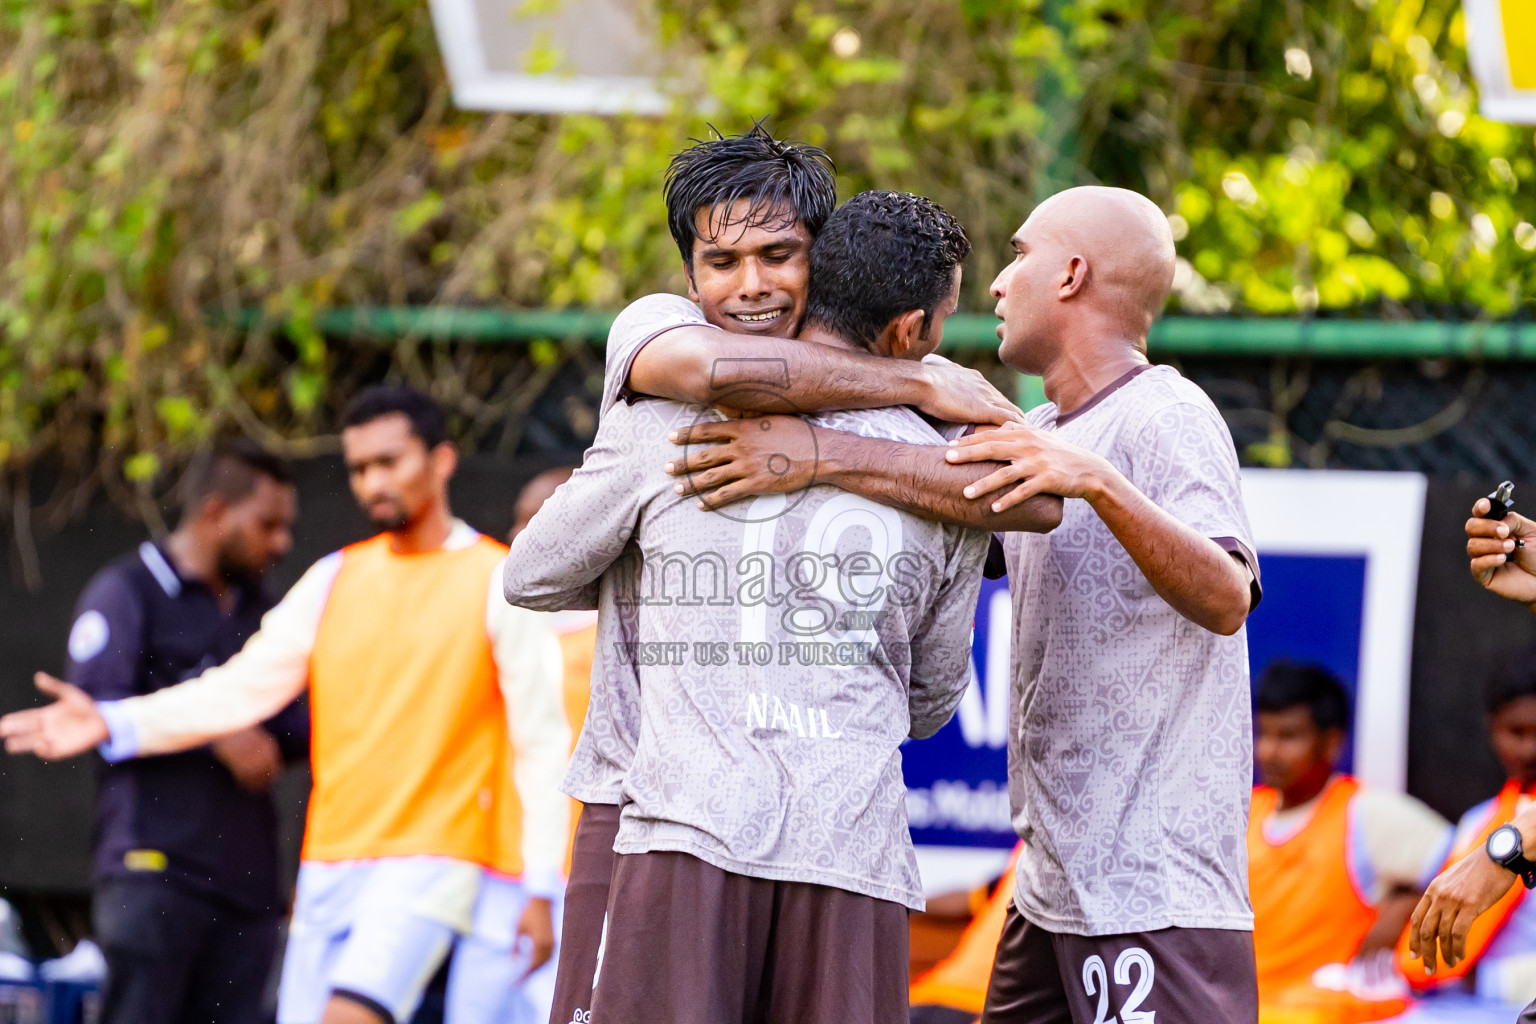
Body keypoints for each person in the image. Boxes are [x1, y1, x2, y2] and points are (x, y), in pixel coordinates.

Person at [666, 185, 1264, 1023]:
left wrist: (1099, 482)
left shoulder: (1166, 409)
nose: (998, 282)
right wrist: (826, 443)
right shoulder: (1037, 426)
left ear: (1072, 275)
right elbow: (934, 492)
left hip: (1152, 886)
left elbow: (1228, 596)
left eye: (1020, 255)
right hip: (1050, 886)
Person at [545, 125, 1058, 1024]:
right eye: (722, 261)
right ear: (688, 276)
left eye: (778, 255)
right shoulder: (662, 355)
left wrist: (820, 452)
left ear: (822, 259)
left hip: (738, 830)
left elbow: (1037, 498)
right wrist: (914, 385)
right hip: (645, 806)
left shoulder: (920, 411)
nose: (750, 283)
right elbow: (712, 369)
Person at [2, 386, 569, 1024]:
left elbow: (542, 742)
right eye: (359, 468)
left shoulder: (498, 580)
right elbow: (240, 688)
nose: (372, 483)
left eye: (389, 462)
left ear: (441, 461)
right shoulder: (333, 578)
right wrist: (112, 720)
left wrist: (541, 885)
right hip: (329, 860)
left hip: (435, 860)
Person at [63, 441, 304, 1024]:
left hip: (246, 887)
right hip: (153, 870)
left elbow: (300, 725)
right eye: (267, 524)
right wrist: (216, 732)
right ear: (215, 512)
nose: (281, 543)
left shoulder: (265, 613)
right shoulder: (128, 592)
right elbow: (94, 713)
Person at [1249, 661, 1451, 1024]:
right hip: (1249, 1009)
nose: (1269, 751)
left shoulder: (1362, 811)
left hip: (1328, 1011)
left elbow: (1465, 862)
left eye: (1288, 737)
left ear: (1331, 743)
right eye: (1264, 733)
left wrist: (1405, 907)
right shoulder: (1244, 812)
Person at [1397, 646, 1536, 1007]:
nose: (1529, 749)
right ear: (1493, 729)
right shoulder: (1478, 822)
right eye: (1516, 732)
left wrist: (1483, 980)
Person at [909, 844, 1024, 1024]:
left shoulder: (1038, 852)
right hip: (943, 997)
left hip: (979, 1004)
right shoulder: (1033, 855)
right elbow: (972, 897)